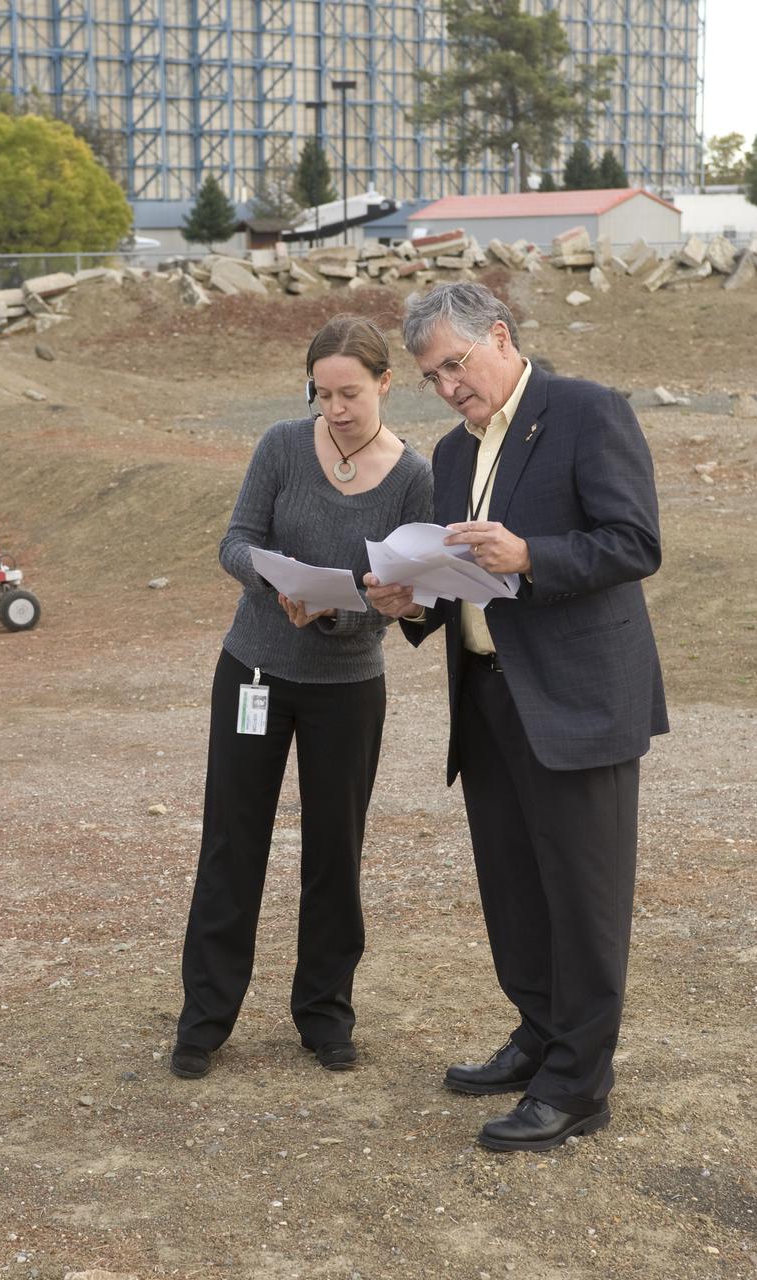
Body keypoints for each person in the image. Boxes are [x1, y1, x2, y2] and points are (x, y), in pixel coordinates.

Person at [366, 282, 667, 1151]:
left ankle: (578, 1085)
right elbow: (457, 574)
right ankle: (540, 1037)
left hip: (578, 698)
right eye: (432, 377)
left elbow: (636, 541)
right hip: (490, 697)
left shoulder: (585, 411)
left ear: (499, 337)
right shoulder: (452, 455)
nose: (449, 387)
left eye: (455, 366)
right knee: (515, 890)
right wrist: (406, 600)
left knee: (583, 899)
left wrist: (532, 554)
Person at [171, 315, 434, 1080]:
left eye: (350, 393)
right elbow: (234, 541)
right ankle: (204, 1020)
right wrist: (275, 579)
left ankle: (324, 1015)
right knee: (232, 842)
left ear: (385, 385)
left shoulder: (414, 476)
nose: (335, 409)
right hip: (255, 668)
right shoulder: (283, 444)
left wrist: (361, 604)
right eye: (322, 394)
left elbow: (408, 589)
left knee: (333, 854)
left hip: (349, 687)